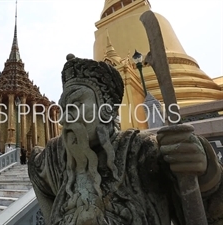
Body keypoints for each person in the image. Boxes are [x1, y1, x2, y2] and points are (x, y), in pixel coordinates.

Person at [28, 55, 223, 225]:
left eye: (74, 105)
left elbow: (202, 213)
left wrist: (207, 175)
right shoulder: (57, 158)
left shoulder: (143, 152)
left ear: (107, 109)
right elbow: (35, 168)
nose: (63, 119)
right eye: (62, 109)